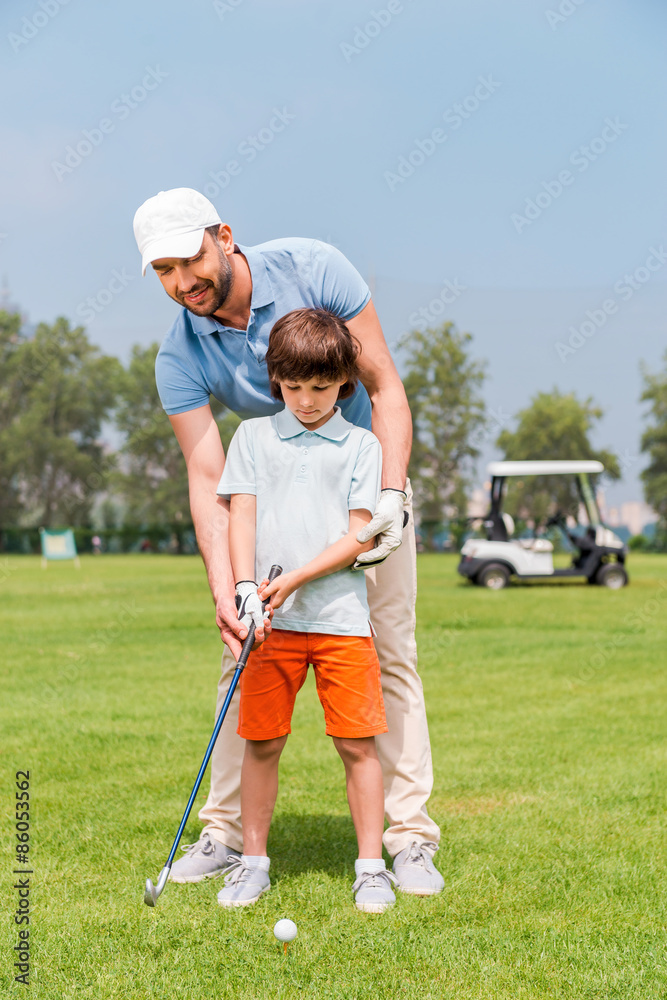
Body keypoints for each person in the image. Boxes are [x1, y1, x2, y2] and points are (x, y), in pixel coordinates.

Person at [132, 187, 443, 896]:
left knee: (389, 656)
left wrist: (391, 498)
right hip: (271, 506)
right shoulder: (178, 355)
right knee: (239, 658)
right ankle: (224, 836)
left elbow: (384, 388)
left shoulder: (317, 268)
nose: (182, 283)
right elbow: (208, 477)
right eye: (164, 272)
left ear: (224, 237)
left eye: (190, 260)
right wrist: (226, 591)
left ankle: (408, 840)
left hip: (367, 487)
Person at [216, 308, 397, 912]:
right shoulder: (252, 438)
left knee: (357, 746)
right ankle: (253, 865)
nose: (307, 400)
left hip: (341, 622)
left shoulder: (362, 445)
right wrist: (246, 587)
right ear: (276, 381)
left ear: (345, 381)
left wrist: (293, 577)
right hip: (272, 626)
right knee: (261, 743)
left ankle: (371, 868)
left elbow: (358, 537)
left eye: (321, 387)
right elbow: (241, 516)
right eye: (293, 386)